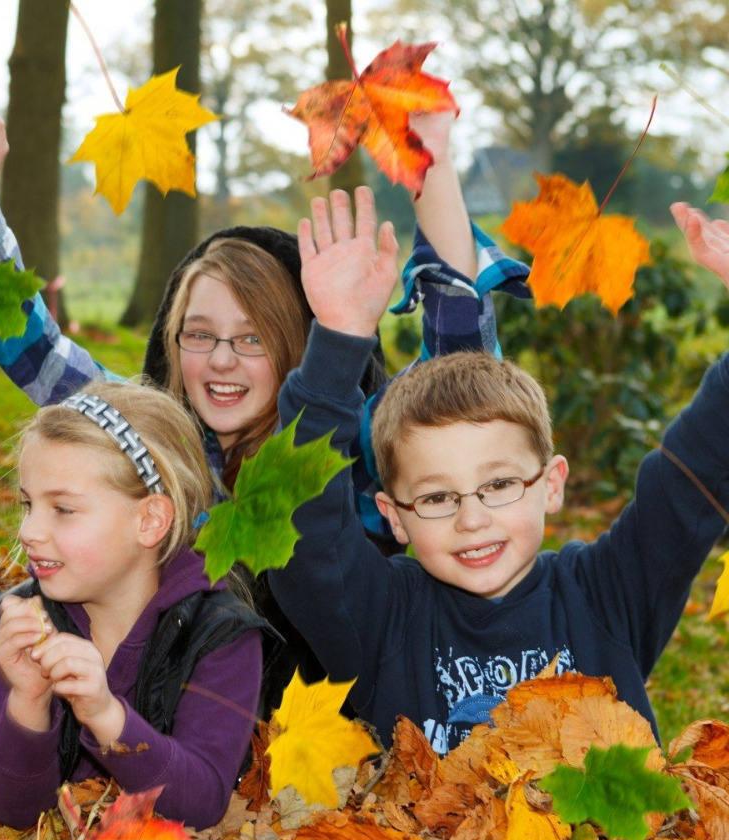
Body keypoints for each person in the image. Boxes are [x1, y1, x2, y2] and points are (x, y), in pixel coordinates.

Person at [0, 102, 531, 706]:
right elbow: (38, 352)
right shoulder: (155, 438)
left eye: (252, 337)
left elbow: (460, 372)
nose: (222, 359)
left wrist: (434, 170)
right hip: (146, 703)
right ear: (173, 345)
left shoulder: (348, 446)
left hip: (312, 722)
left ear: (294, 345)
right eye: (200, 335)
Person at [268, 193, 729, 755]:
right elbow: (302, 524)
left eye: (500, 485)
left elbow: (683, 484)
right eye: (437, 497)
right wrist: (339, 338)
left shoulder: (607, 596)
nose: (472, 518)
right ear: (394, 517)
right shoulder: (382, 617)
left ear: (551, 483)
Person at [0, 380, 269, 840]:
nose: (29, 530)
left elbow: (202, 803)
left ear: (149, 520)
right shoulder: (20, 621)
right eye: (28, 504)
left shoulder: (219, 636)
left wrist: (105, 715)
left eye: (62, 509)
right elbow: (10, 809)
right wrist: (28, 700)